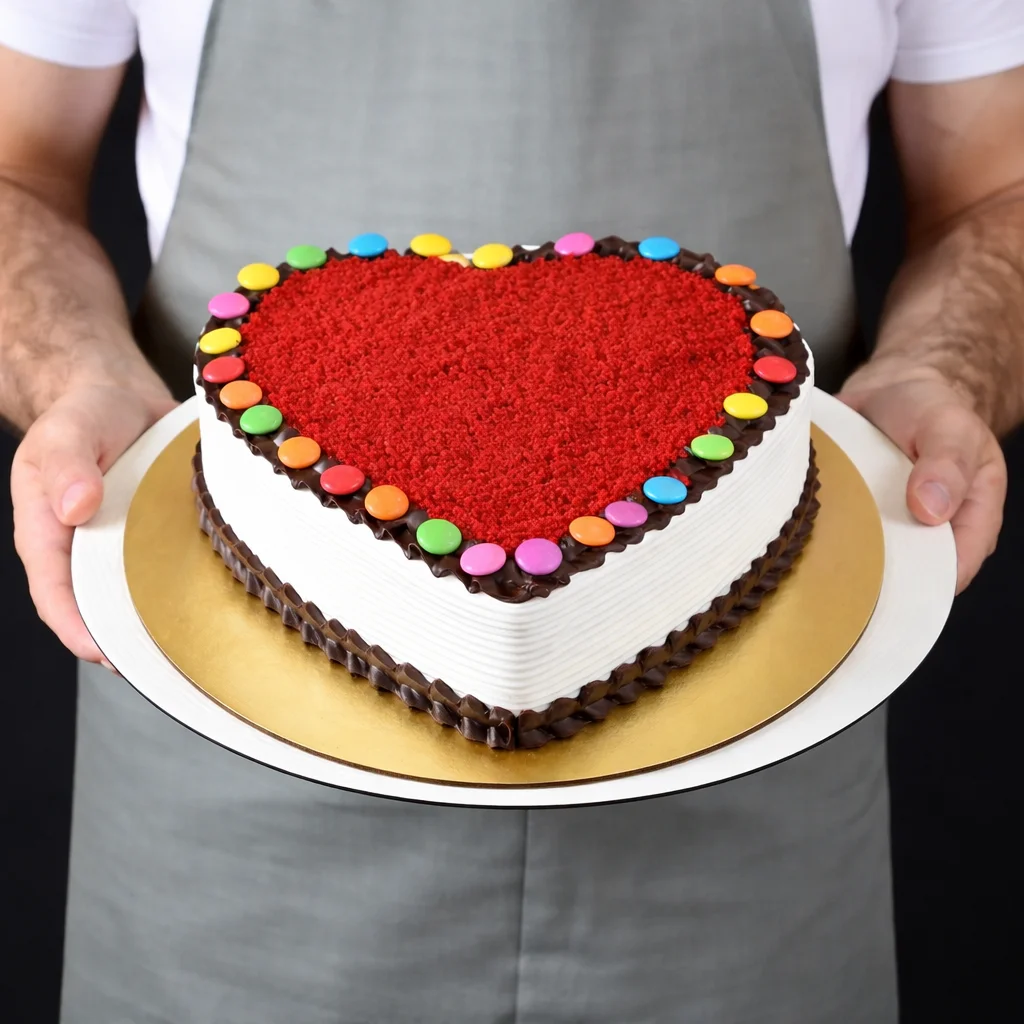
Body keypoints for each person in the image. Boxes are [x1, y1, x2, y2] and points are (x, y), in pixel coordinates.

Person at [2, 1, 1022, 1021]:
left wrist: (943, 370)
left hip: (760, 748)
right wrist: (73, 372)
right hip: (221, 756)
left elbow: (996, 189)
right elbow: (16, 171)